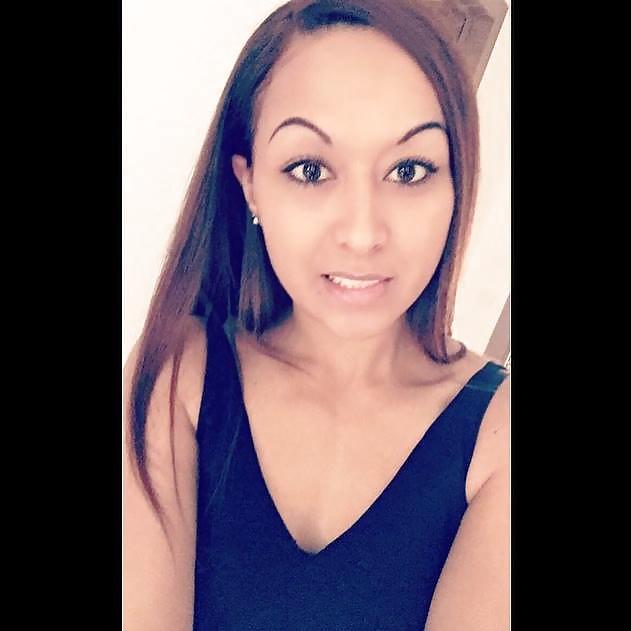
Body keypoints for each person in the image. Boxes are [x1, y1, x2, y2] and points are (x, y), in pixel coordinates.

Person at [123, 0, 510, 629]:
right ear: (250, 185)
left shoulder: (498, 435)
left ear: (456, 184)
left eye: (409, 170)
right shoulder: (178, 375)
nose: (362, 233)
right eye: (309, 170)